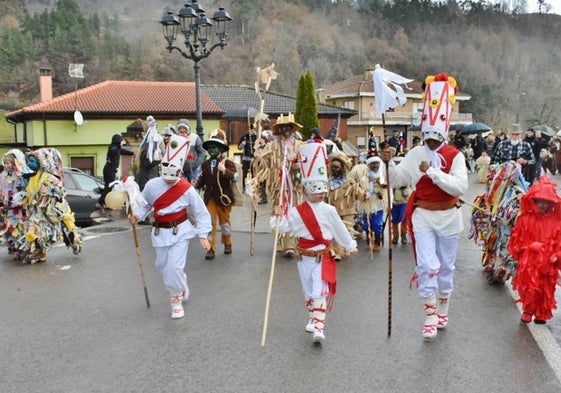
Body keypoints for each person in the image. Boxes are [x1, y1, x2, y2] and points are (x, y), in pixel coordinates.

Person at [380, 72, 468, 339]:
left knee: (446, 267)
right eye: (427, 137)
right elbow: (396, 181)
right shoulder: (415, 153)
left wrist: (432, 172)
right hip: (422, 217)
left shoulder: (456, 156)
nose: (430, 142)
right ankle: (429, 314)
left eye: (435, 137)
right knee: (428, 265)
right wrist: (389, 162)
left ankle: (443, 309)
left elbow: (459, 187)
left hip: (449, 217)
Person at [273, 142, 358, 343]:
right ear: (306, 190)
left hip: (322, 257)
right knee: (307, 290)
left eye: (323, 190)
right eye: (316, 190)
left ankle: (319, 326)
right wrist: (278, 216)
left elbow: (339, 229)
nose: (321, 194)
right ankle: (313, 318)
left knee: (319, 290)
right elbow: (283, 227)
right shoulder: (296, 211)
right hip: (304, 258)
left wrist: (350, 245)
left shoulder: (329, 210)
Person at [128, 134, 212, 319]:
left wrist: (203, 235)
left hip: (180, 231)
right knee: (163, 266)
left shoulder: (186, 188)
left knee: (173, 268)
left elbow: (200, 211)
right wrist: (136, 215)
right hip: (159, 232)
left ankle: (176, 301)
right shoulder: (152, 185)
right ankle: (181, 284)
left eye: (172, 178)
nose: (169, 182)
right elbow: (144, 204)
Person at [508, 176, 561, 325]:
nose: (543, 205)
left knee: (546, 288)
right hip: (529, 260)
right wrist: (527, 247)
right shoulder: (525, 219)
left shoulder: (557, 221)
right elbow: (517, 239)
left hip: (548, 262)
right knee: (530, 287)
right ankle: (528, 310)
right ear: (534, 200)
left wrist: (557, 255)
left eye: (547, 202)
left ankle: (542, 313)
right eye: (540, 201)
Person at [17, 148, 83, 264]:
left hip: (52, 210)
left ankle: (75, 243)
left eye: (32, 161)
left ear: (40, 162)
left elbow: (58, 192)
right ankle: (40, 253)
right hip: (37, 211)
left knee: (66, 228)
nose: (29, 164)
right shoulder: (32, 177)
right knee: (35, 231)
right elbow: (29, 194)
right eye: (29, 161)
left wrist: (48, 195)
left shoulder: (49, 177)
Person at [254, 113, 304, 257]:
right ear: (279, 130)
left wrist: (299, 167)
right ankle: (280, 242)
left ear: (292, 129)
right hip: (277, 187)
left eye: (289, 127)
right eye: (283, 127)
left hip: (293, 187)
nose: (286, 129)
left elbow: (307, 164)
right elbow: (264, 165)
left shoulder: (300, 146)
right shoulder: (271, 146)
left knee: (292, 214)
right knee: (278, 214)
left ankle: (290, 245)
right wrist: (258, 158)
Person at [196, 131, 238, 260]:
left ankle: (227, 242)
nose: (211, 150)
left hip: (223, 197)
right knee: (210, 223)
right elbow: (202, 179)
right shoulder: (205, 164)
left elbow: (235, 177)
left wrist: (224, 170)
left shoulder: (227, 162)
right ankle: (210, 248)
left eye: (214, 147)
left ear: (220, 148)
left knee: (224, 223)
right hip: (210, 197)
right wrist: (195, 185)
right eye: (209, 148)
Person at [326, 151, 363, 260]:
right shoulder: (328, 182)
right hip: (333, 211)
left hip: (347, 211)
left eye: (337, 167)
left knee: (346, 230)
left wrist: (364, 195)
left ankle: (344, 249)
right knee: (334, 231)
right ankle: (337, 252)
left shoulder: (350, 182)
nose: (334, 170)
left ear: (342, 168)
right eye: (333, 167)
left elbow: (358, 193)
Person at [349, 155, 387, 253]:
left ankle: (377, 242)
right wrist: (364, 192)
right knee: (366, 224)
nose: (375, 166)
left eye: (376, 164)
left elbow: (384, 187)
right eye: (372, 164)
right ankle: (369, 237)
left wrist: (377, 186)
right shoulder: (363, 175)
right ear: (369, 164)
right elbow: (359, 186)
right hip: (366, 204)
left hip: (377, 204)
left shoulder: (382, 175)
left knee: (377, 224)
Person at [0, 149, 28, 259]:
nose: (6, 165)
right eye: (5, 163)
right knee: (10, 228)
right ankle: (15, 248)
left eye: (8, 163)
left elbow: (25, 190)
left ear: (15, 163)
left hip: (19, 207)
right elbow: (3, 190)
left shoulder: (21, 176)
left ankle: (22, 247)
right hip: (9, 207)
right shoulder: (4, 176)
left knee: (20, 228)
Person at [98, 134, 134, 209]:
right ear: (118, 141)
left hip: (110, 169)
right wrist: (121, 145)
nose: (122, 142)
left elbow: (123, 151)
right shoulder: (114, 148)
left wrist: (133, 153)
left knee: (109, 186)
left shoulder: (115, 148)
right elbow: (116, 150)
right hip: (109, 170)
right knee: (109, 186)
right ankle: (100, 202)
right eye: (121, 140)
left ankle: (104, 202)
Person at [176, 118, 206, 183]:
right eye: (180, 128)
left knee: (194, 188)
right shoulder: (176, 139)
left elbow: (202, 152)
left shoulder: (195, 137)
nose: (182, 130)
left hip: (193, 169)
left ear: (188, 129)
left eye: (184, 128)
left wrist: (196, 164)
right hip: (180, 169)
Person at [390, 156, 412, 245]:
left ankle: (403, 235)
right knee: (395, 218)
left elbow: (413, 182)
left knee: (404, 217)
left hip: (405, 196)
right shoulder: (391, 171)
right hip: (394, 197)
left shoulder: (408, 172)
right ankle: (395, 236)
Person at [237, 124, 258, 191]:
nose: (250, 131)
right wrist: (242, 144)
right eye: (249, 130)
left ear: (254, 130)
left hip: (254, 159)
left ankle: (254, 188)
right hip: (245, 158)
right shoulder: (244, 137)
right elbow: (239, 148)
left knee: (254, 173)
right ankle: (243, 187)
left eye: (252, 130)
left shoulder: (256, 137)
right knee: (244, 173)